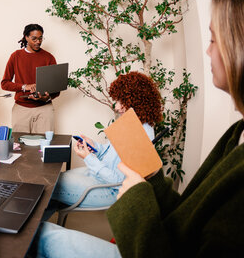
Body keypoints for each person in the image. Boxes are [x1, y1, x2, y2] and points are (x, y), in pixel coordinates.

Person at [29, 0, 244, 258]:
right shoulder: (239, 134)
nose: (207, 51)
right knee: (35, 230)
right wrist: (151, 179)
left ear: (243, 47)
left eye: (213, 39)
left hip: (147, 251)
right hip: (155, 240)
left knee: (33, 235)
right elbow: (186, 220)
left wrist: (136, 197)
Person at [50, 72, 162, 209]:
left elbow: (117, 180)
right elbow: (110, 156)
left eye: (122, 102)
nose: (116, 107)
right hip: (99, 178)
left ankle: (33, 228)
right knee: (51, 181)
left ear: (137, 102)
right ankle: (36, 227)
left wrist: (88, 158)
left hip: (110, 190)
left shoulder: (142, 133)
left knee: (46, 186)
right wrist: (94, 146)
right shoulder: (130, 123)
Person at [1, 24, 59, 133]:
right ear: (26, 37)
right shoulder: (16, 56)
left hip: (44, 109)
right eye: (34, 39)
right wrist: (24, 87)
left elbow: (56, 90)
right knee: (19, 146)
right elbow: (5, 83)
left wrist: (45, 98)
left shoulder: (49, 58)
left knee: (44, 145)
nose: (38, 42)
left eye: (40, 38)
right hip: (21, 108)